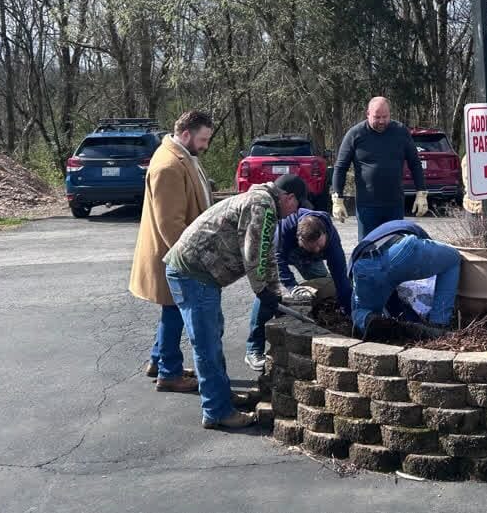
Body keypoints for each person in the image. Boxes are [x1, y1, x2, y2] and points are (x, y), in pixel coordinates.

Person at [162, 173, 308, 430]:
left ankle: (221, 397)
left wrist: (274, 292)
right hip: (193, 274)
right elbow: (254, 254)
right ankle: (217, 411)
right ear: (289, 198)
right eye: (297, 204)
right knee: (206, 345)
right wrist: (264, 292)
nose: (296, 211)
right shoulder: (261, 206)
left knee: (213, 337)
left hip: (200, 274)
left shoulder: (264, 203)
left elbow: (266, 255)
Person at [128, 110, 214, 393]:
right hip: (172, 256)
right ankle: (169, 372)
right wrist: (191, 259)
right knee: (174, 311)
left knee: (172, 309)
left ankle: (158, 360)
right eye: (202, 139)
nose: (205, 145)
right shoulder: (168, 165)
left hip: (173, 255)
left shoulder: (183, 157)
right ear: (186, 134)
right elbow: (170, 223)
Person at [243, 208, 352, 371]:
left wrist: (348, 310)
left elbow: (341, 277)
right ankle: (254, 349)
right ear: (298, 237)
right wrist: (292, 287)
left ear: (324, 234)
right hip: (281, 253)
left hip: (310, 260)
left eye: (319, 245)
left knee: (329, 286)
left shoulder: (330, 239)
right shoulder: (284, 229)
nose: (316, 249)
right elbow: (276, 262)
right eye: (311, 246)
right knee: (269, 293)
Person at [331, 96, 429, 240]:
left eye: (385, 116)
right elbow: (340, 167)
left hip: (394, 204)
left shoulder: (400, 132)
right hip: (367, 206)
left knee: (395, 247)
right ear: (368, 114)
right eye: (377, 117)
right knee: (368, 250)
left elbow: (415, 163)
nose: (382, 121)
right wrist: (337, 198)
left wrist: (421, 192)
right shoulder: (355, 134)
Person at [348, 219, 460, 337]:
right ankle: (439, 324)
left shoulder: (372, 241)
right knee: (453, 258)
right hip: (399, 251)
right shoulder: (417, 233)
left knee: (360, 313)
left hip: (363, 268)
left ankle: (368, 321)